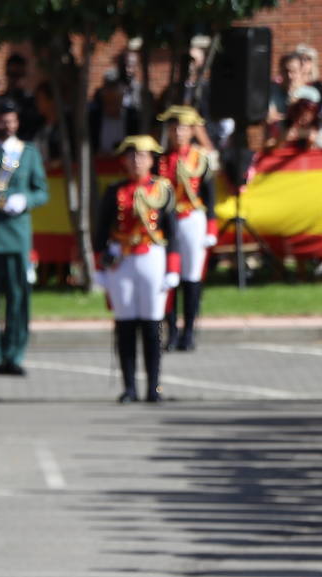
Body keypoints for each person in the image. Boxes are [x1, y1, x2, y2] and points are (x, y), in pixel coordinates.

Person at [94, 135, 179, 404]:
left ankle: (154, 386)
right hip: (122, 260)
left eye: (142, 156)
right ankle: (129, 386)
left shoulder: (163, 190)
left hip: (151, 256)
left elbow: (172, 232)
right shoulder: (115, 191)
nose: (136, 161)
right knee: (126, 323)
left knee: (153, 322)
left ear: (152, 160)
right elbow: (100, 232)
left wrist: (172, 267)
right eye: (131, 156)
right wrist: (100, 267)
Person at [0, 97, 48, 377]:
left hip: (17, 236)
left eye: (11, 119)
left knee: (18, 297)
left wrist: (24, 200)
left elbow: (42, 191)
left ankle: (14, 355)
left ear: (17, 123)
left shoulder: (27, 152)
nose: (6, 124)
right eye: (2, 119)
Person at [156, 107, 216, 352]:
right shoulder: (160, 160)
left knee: (191, 278)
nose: (178, 132)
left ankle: (189, 331)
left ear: (192, 131)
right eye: (174, 128)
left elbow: (209, 197)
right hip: (169, 221)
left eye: (182, 128)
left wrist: (211, 227)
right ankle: (171, 331)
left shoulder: (200, 159)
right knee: (169, 277)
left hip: (192, 218)